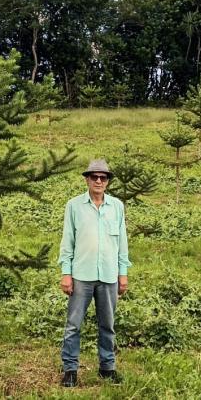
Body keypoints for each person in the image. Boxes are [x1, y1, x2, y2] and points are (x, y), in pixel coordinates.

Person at [58, 159, 131, 387]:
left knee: (107, 325)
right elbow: (67, 241)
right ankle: (70, 370)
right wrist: (66, 273)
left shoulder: (117, 206)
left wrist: (123, 273)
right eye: (94, 177)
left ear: (108, 181)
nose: (99, 181)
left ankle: (107, 368)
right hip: (81, 275)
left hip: (109, 276)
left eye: (103, 177)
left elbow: (122, 242)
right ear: (87, 179)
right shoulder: (74, 205)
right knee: (73, 325)